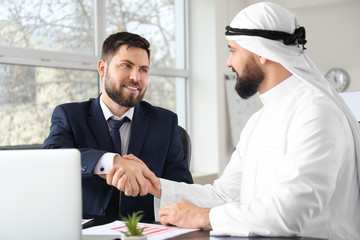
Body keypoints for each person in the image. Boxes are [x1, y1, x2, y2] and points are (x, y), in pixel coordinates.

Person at [106, 2, 360, 239]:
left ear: (262, 52)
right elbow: (225, 194)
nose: (229, 62)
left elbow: (292, 212)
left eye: (233, 50)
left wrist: (204, 217)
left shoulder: (316, 112)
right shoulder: (260, 119)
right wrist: (156, 185)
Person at [42, 31, 193, 220]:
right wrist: (110, 162)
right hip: (85, 232)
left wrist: (153, 186)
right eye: (126, 66)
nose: (136, 77)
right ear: (102, 68)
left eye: (143, 69)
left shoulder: (165, 122)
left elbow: (184, 190)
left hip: (143, 232)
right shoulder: (70, 116)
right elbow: (52, 159)